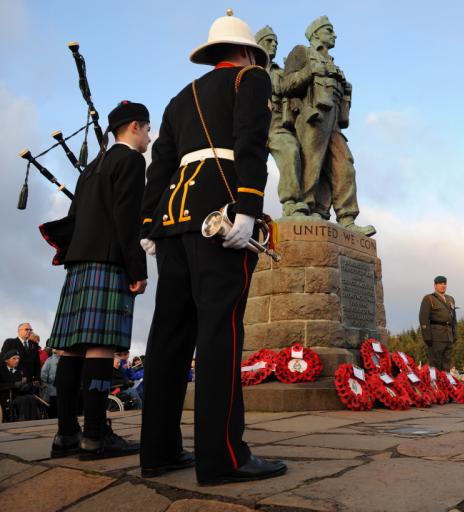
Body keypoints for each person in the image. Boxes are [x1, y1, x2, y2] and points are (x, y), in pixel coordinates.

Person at [138, 10, 286, 485]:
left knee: (169, 338)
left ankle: (158, 451)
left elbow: (158, 167)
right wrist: (247, 206)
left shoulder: (179, 98)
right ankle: (223, 456)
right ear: (246, 53)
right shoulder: (251, 79)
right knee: (220, 335)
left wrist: (149, 224)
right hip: (219, 216)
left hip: (174, 220)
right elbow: (251, 143)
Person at [45, 101, 150, 458]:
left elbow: (74, 217)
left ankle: (66, 436)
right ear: (135, 126)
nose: (149, 137)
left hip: (78, 262)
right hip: (107, 262)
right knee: (101, 346)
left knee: (70, 349)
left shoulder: (91, 168)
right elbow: (127, 218)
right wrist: (137, 268)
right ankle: (95, 436)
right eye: (148, 129)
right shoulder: (132, 161)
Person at [282, 16, 375, 235]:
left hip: (334, 120)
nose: (334, 35)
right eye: (329, 30)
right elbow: (286, 85)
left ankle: (347, 217)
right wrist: (309, 73)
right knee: (311, 161)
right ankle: (304, 207)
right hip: (313, 114)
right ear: (316, 34)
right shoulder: (302, 53)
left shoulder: (333, 63)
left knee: (345, 164)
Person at [255, 26, 308, 218]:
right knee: (246, 167)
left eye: (276, 42)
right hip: (252, 127)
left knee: (291, 150)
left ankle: (291, 202)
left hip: (277, 122)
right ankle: (243, 209)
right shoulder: (247, 72)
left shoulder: (281, 71)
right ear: (258, 44)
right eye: (269, 41)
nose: (274, 45)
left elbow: (291, 89)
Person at [419, 276, 457, 371]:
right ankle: (435, 384)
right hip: (436, 336)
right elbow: (423, 318)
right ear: (435, 285)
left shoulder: (450, 299)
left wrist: (454, 333)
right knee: (435, 363)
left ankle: (444, 384)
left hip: (448, 336)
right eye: (440, 283)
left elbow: (454, 318)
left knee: (447, 363)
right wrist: (427, 336)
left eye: (444, 283)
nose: (443, 286)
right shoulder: (429, 298)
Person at [0, 350, 41, 421]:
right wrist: (14, 385)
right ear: (6, 360)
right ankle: (23, 420)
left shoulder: (20, 370)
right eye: (14, 358)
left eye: (18, 358)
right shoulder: (1, 371)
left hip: (19, 394)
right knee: (23, 400)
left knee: (32, 398)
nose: (17, 361)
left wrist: (31, 385)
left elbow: (24, 384)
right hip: (6, 395)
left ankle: (33, 420)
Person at [40, 349, 60, 418]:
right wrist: (50, 379)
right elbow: (43, 374)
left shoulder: (64, 359)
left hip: (59, 389)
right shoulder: (49, 360)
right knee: (53, 409)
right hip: (52, 389)